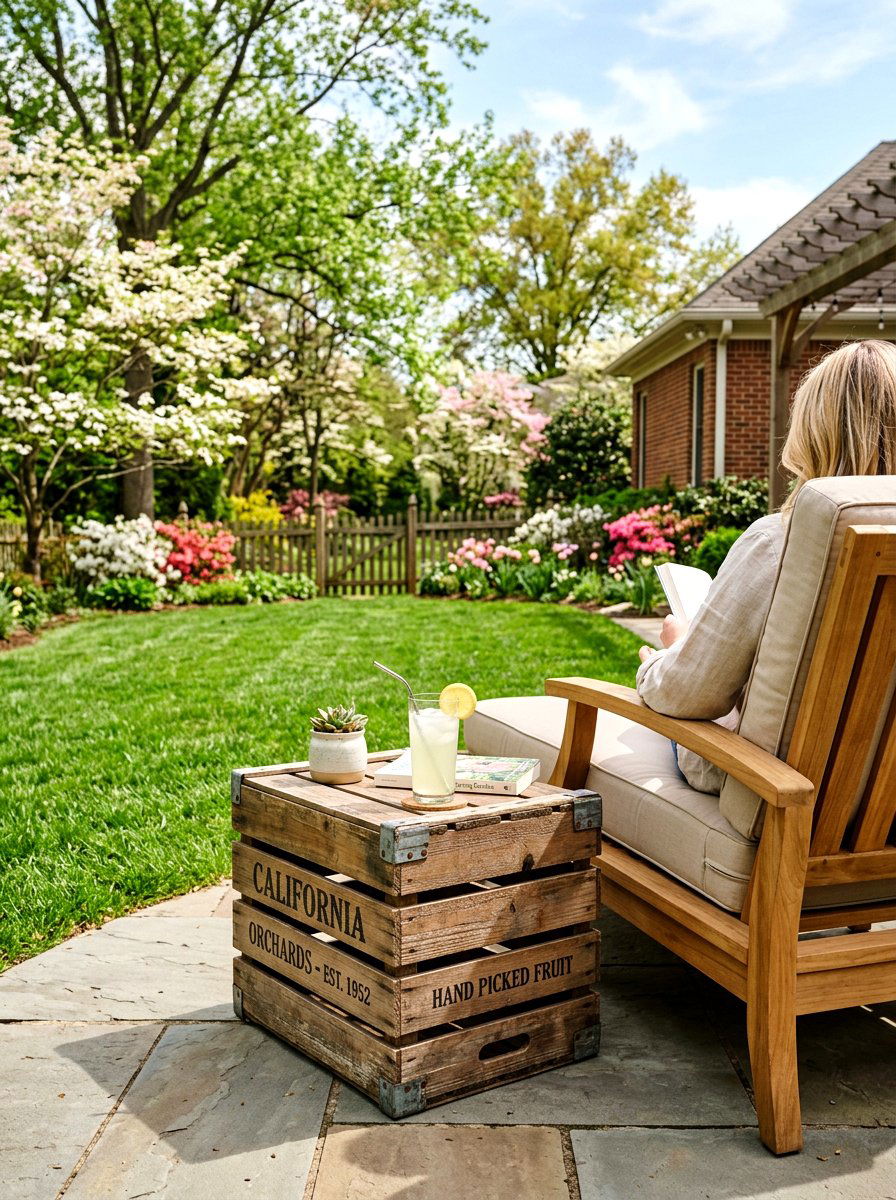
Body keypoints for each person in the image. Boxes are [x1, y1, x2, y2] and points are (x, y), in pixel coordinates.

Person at [635, 338, 896, 793]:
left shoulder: (780, 542)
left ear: (812, 430)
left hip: (781, 792)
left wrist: (669, 654)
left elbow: (688, 694)